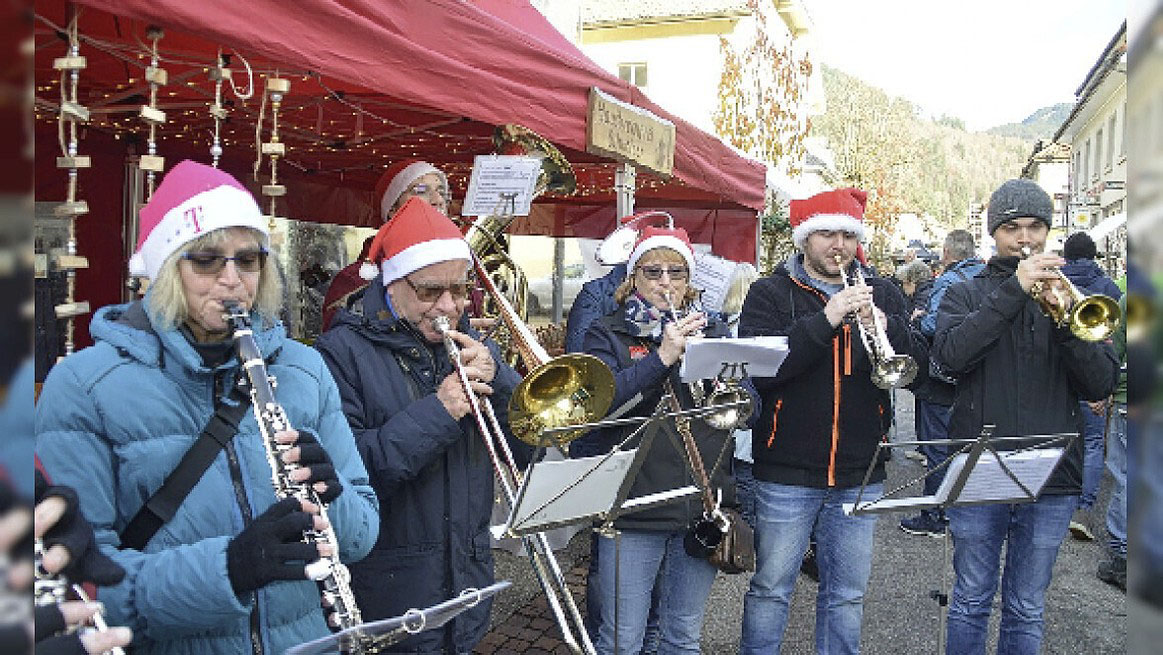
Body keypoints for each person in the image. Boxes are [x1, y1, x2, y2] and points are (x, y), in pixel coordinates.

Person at [35, 161, 380, 654]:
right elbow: (82, 586)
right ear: (166, 267)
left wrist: (334, 496)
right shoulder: (84, 386)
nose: (232, 279)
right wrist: (230, 568)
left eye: (248, 259)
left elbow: (363, 534)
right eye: (206, 260)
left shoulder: (304, 369)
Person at [314, 196, 523, 653]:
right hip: (392, 592)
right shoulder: (340, 353)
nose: (449, 306)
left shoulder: (475, 347)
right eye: (430, 291)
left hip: (467, 578)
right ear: (392, 282)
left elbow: (525, 451)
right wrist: (440, 411)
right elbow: (347, 477)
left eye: (460, 289)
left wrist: (503, 381)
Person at [932, 179, 1118, 654]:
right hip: (980, 468)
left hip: (1052, 474)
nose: (1025, 238)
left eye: (1035, 226)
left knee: (1027, 606)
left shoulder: (1070, 300)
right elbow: (951, 359)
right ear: (994, 233)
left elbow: (1099, 384)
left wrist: (1068, 325)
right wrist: (1015, 290)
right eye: (1012, 227)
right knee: (972, 599)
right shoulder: (964, 294)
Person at [738, 188, 927, 655]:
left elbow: (916, 369)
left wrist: (887, 325)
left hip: (859, 471)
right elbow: (762, 373)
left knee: (846, 594)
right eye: (825, 233)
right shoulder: (769, 292)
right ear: (805, 239)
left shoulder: (880, 290)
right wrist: (825, 320)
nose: (837, 245)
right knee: (771, 588)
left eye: (846, 234)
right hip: (786, 469)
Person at [583, 225, 753, 654]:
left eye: (675, 273)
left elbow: (750, 409)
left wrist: (719, 372)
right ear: (632, 278)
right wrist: (662, 357)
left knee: (682, 637)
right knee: (622, 639)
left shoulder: (713, 331)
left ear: (689, 282)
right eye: (652, 271)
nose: (665, 282)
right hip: (633, 507)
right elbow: (600, 408)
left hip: (701, 503)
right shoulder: (607, 333)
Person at [899, 229, 984, 537]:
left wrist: (918, 318)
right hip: (977, 377)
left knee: (938, 447)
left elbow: (935, 325)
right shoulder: (987, 277)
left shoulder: (948, 281)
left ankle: (934, 515)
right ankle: (959, 511)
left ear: (947, 252)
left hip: (944, 376)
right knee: (967, 444)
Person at [320, 159, 450, 332]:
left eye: (442, 192)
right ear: (393, 209)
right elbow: (346, 348)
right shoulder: (355, 280)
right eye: (421, 190)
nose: (438, 200)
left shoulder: (460, 269)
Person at [1059, 231, 1123, 541]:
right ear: (1095, 254)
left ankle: (1058, 504)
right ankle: (1083, 510)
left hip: (1061, 378)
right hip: (1090, 373)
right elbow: (1112, 341)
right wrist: (1104, 389)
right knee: (1094, 444)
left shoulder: (1053, 280)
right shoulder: (1109, 287)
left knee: (1061, 439)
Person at [723, 262, 761, 528]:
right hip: (749, 416)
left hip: (743, 418)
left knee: (744, 480)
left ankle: (744, 535)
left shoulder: (735, 328)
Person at [896, 259, 933, 325]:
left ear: (912, 281)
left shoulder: (923, 296)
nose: (902, 287)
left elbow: (913, 322)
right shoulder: (929, 290)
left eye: (903, 283)